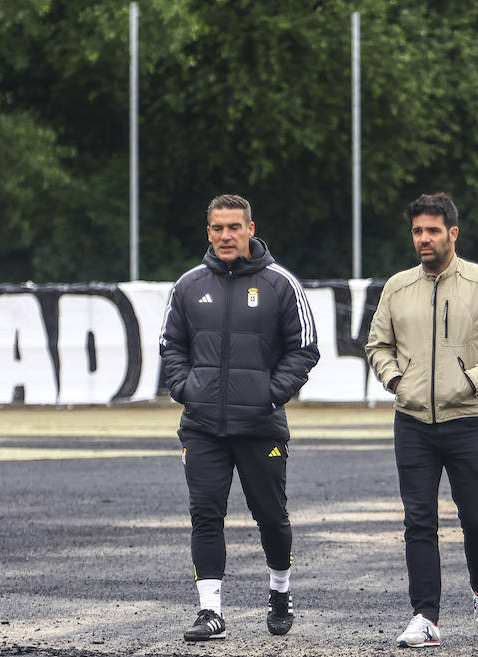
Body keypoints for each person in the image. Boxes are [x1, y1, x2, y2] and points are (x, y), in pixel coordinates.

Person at [365, 192, 478, 648]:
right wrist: (396, 380)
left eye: (433, 230)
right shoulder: (397, 287)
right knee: (418, 522)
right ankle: (425, 617)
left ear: (452, 233)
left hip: (468, 419)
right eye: (418, 230)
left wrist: (475, 378)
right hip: (412, 422)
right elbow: (377, 345)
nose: (424, 238)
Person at [159, 194, 320, 641]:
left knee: (271, 516)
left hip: (261, 425)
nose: (225, 235)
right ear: (207, 232)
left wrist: (269, 395)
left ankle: (280, 592)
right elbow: (171, 345)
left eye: (234, 227)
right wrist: (184, 388)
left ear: (251, 228)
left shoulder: (280, 283)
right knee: (205, 516)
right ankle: (210, 612)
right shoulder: (188, 285)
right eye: (217, 228)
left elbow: (305, 348)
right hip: (202, 426)